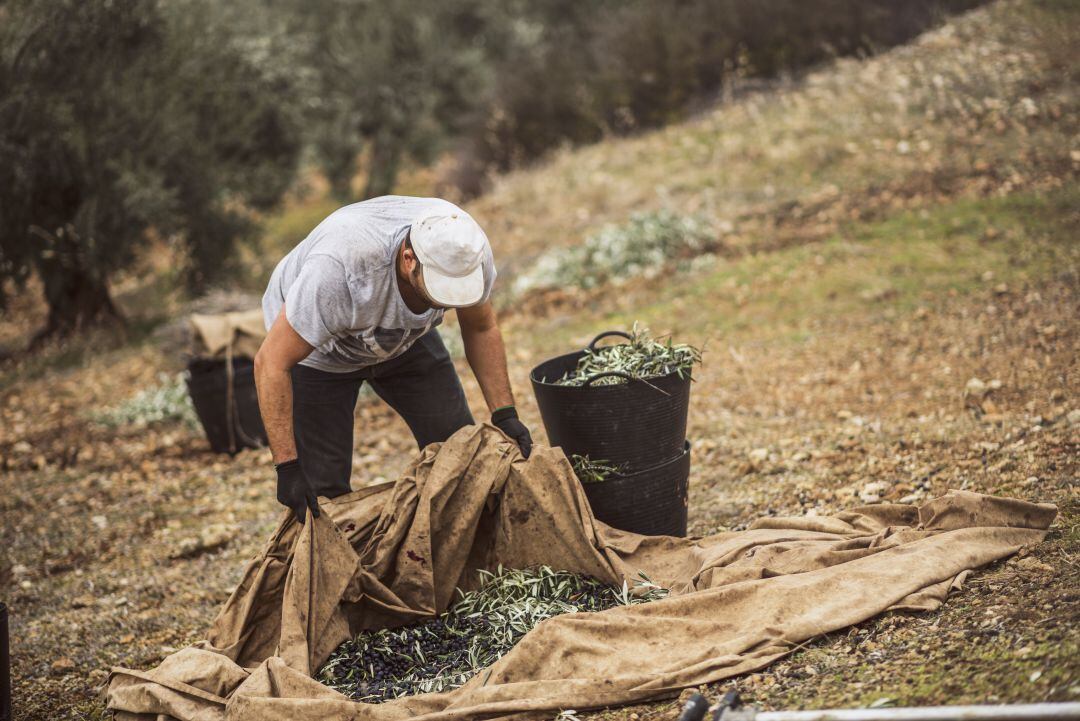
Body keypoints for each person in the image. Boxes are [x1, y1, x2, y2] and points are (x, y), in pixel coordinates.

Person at [255, 195, 532, 524]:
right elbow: (270, 363)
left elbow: (481, 327)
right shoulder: (341, 271)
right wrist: (286, 466)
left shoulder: (466, 250)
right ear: (409, 259)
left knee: (460, 455)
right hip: (320, 353)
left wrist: (504, 414)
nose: (445, 303)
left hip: (405, 342)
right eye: (439, 292)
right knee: (322, 495)